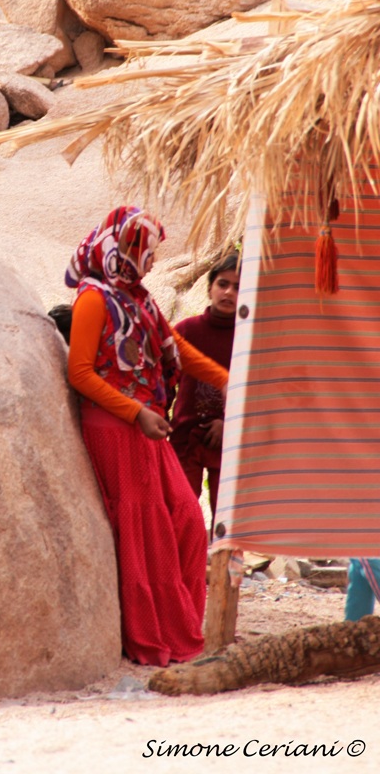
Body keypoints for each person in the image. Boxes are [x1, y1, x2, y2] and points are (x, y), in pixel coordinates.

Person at [66, 206, 228, 667]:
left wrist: (227, 380)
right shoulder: (93, 299)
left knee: (186, 523)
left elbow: (177, 351)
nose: (153, 261)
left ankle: (181, 629)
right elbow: (80, 373)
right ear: (123, 250)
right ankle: (150, 639)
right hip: (116, 427)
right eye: (146, 252)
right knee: (146, 534)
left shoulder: (138, 298)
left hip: (146, 424)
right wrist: (135, 412)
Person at [170, 250, 240, 530]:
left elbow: (258, 393)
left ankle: (224, 573)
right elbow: (164, 379)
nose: (229, 292)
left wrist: (228, 422)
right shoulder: (186, 331)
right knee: (179, 513)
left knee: (227, 520)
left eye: (238, 287)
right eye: (223, 284)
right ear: (210, 287)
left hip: (231, 441)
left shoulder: (249, 339)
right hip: (185, 437)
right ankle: (180, 572)